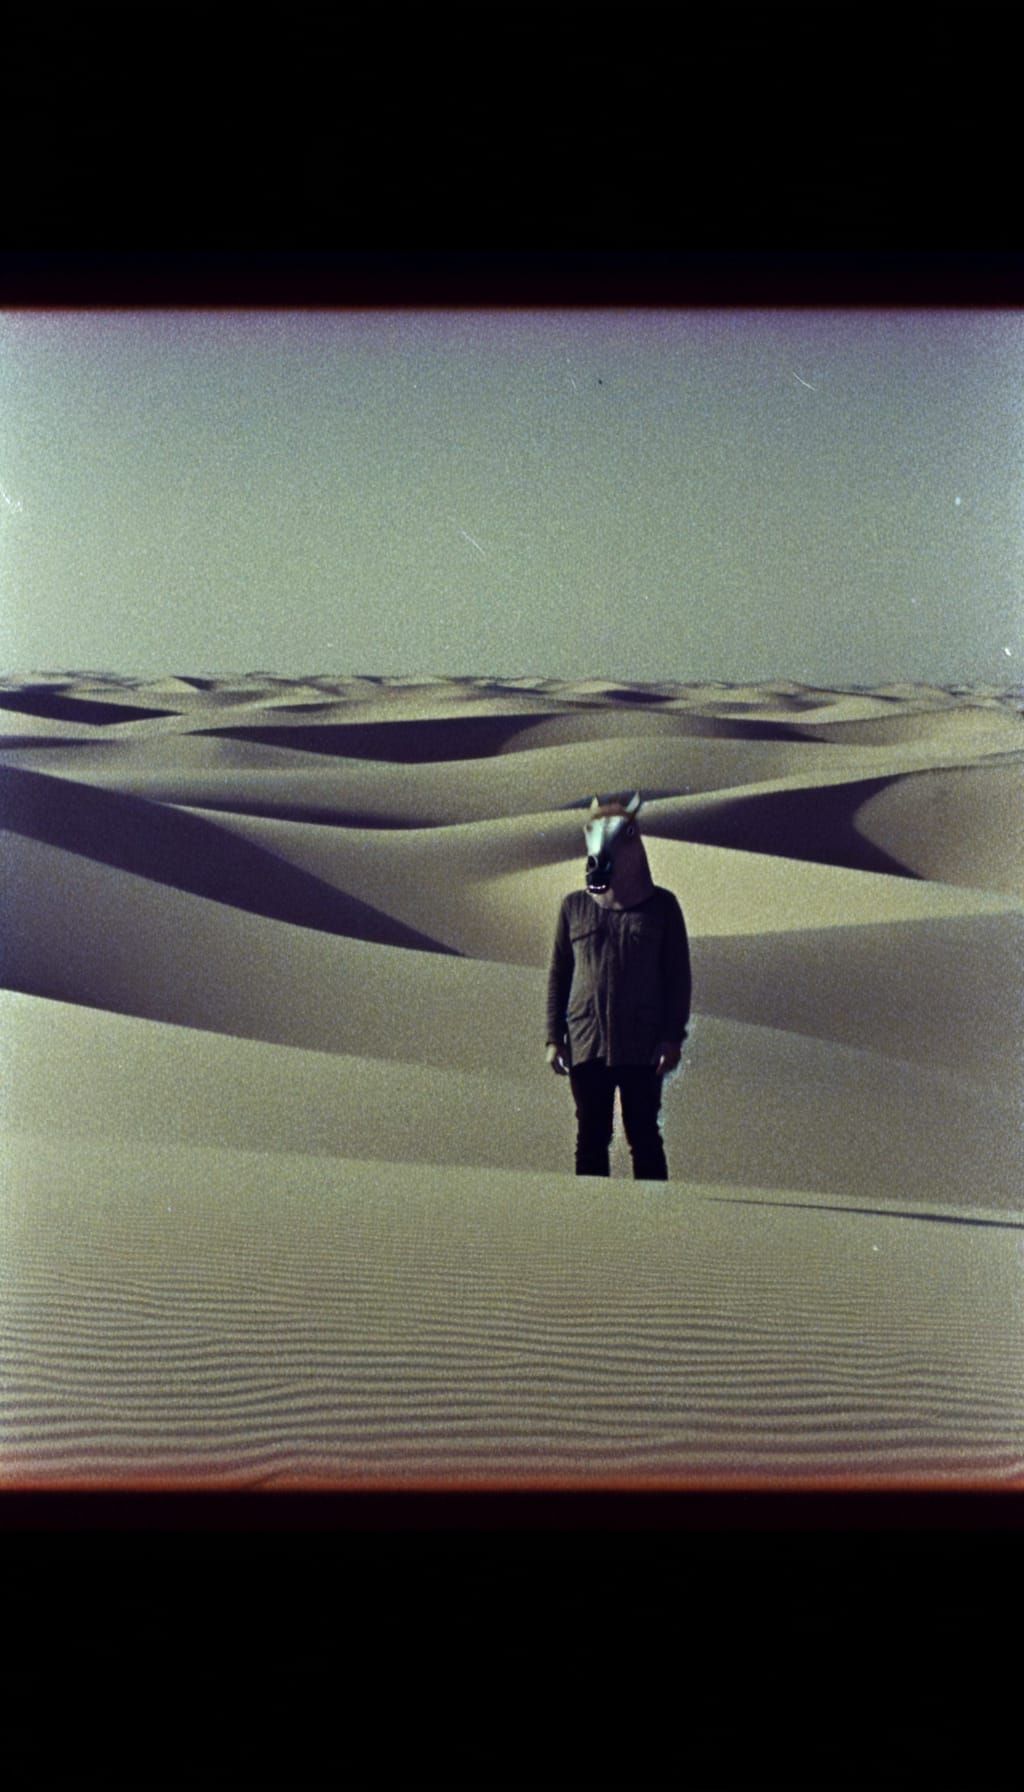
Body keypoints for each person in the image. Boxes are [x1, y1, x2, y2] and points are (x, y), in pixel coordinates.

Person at [545, 794, 691, 1180]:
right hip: (586, 1039)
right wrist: (553, 1038)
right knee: (591, 1134)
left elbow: (678, 978)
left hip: (642, 1044)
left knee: (643, 1133)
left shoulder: (662, 908)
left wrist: (672, 1037)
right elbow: (560, 973)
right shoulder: (573, 907)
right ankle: (592, 1221)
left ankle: (654, 1221)